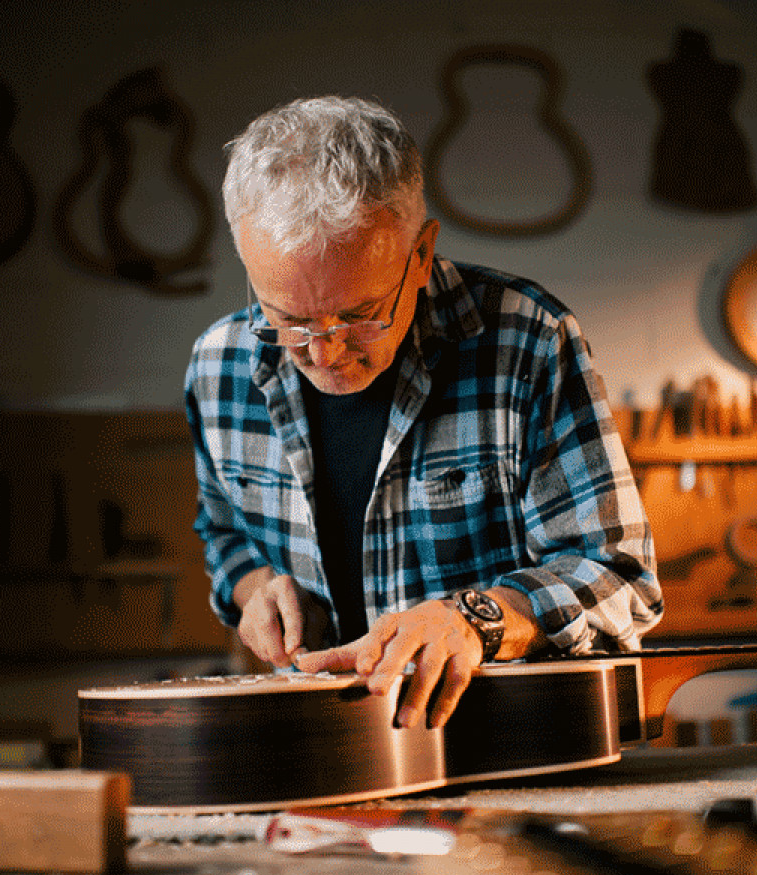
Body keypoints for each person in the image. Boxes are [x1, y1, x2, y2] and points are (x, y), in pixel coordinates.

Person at [185, 96, 662, 729]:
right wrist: (256, 589)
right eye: (288, 318)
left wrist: (477, 620)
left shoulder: (527, 341)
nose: (324, 352)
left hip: (508, 745)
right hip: (327, 747)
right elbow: (225, 537)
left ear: (422, 253)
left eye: (360, 315)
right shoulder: (218, 367)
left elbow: (619, 578)